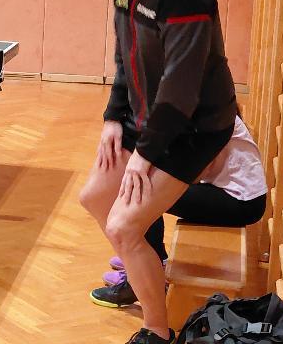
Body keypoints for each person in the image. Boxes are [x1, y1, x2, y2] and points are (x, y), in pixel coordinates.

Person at [77, 0, 238, 344]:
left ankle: (157, 336)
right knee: (96, 198)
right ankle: (142, 272)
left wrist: (143, 156)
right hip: (145, 116)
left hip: (193, 127)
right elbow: (125, 56)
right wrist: (113, 116)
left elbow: (181, 89)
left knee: (124, 226)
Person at [93, 115, 266, 290]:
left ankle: (146, 273)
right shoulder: (195, 109)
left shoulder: (205, 113)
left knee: (145, 191)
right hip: (226, 190)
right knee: (146, 186)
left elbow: (192, 170)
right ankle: (147, 261)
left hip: (241, 201)